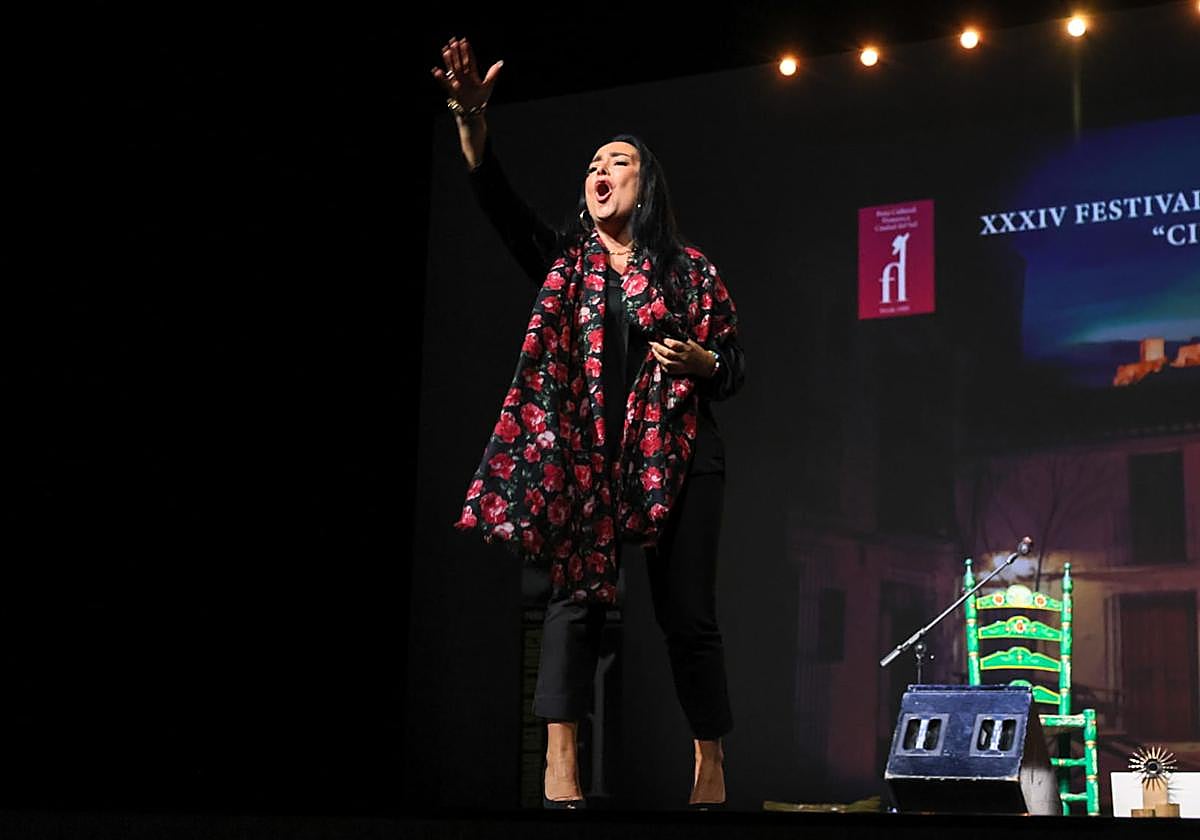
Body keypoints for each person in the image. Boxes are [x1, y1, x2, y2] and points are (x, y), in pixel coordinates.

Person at [434, 36, 745, 810]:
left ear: (648, 184)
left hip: (680, 454)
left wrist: (706, 366)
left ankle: (709, 757)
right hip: (581, 456)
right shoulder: (564, 263)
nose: (602, 172)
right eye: (594, 166)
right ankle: (560, 761)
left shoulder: (690, 270)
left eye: (620, 161)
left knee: (687, 618)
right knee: (573, 604)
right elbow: (498, 202)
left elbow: (734, 367)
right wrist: (473, 122)